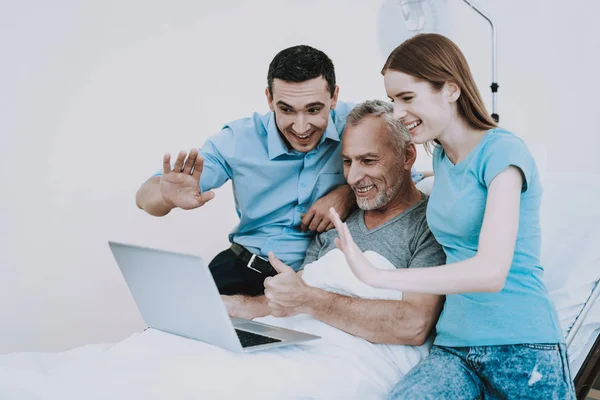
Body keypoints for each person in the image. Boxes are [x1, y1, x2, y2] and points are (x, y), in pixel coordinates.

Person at [329, 34, 575, 399]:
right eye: (394, 100)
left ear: (451, 90)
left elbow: (491, 272)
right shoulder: (442, 160)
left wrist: (379, 276)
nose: (398, 113)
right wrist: (345, 192)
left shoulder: (503, 153)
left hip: (523, 347)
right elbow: (414, 179)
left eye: (408, 98)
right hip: (455, 348)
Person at [136, 45, 358, 297]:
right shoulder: (239, 139)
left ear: (334, 97)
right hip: (244, 268)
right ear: (269, 99)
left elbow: (405, 184)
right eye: (286, 109)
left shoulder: (360, 125)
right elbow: (145, 196)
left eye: (313, 109)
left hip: (318, 279)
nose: (301, 126)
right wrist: (165, 198)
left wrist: (348, 194)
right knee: (170, 330)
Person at [256, 99, 447, 346]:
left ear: (407, 155)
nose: (353, 177)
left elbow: (413, 325)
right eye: (347, 162)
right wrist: (232, 305)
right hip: (298, 342)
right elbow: (295, 296)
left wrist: (310, 300)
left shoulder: (429, 225)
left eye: (368, 161)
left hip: (352, 361)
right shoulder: (336, 219)